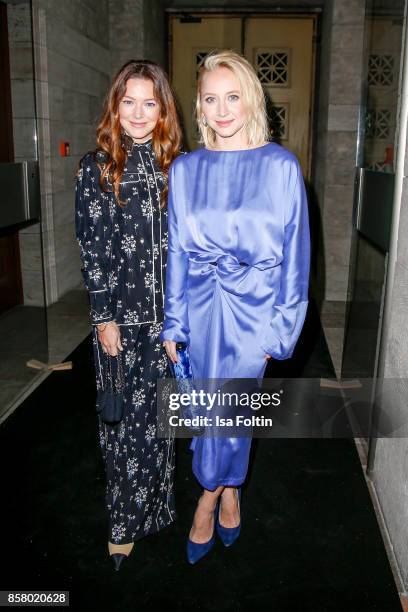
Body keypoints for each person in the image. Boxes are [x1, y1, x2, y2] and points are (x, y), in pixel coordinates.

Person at [161, 50, 310, 564]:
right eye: (210, 98)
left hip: (255, 311)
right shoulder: (184, 169)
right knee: (207, 412)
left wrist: (280, 332)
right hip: (200, 309)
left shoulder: (281, 167)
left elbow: (296, 258)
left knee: (232, 413)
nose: (222, 109)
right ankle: (229, 491)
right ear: (199, 106)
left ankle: (207, 497)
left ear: (251, 99)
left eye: (232, 96)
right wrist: (173, 321)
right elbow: (176, 251)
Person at [75, 59, 182, 570]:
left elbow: (182, 248)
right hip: (120, 321)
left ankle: (158, 507)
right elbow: (91, 248)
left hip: (167, 322)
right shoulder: (96, 166)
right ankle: (122, 522)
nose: (138, 113)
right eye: (128, 101)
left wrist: (179, 321)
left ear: (163, 109)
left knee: (161, 419)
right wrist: (102, 318)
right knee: (119, 424)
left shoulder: (175, 167)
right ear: (115, 106)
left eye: (150, 102)